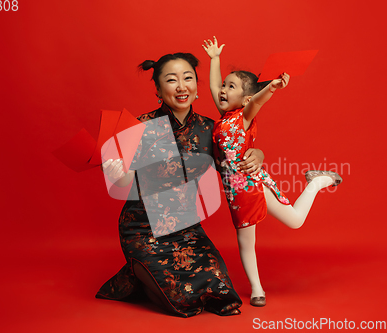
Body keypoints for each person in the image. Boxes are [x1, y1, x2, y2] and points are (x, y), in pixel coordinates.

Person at [96, 52, 266, 317]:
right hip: (143, 228)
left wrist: (257, 154)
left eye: (188, 78)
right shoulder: (141, 127)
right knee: (181, 299)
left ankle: (140, 272)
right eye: (171, 80)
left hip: (187, 229)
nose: (181, 86)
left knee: (220, 291)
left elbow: (233, 163)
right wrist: (116, 171)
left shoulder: (211, 129)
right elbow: (126, 184)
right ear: (158, 90)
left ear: (197, 86)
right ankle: (138, 271)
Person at [202, 37, 342, 307]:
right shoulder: (223, 117)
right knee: (245, 240)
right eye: (224, 85)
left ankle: (317, 181)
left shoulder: (244, 116)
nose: (222, 89)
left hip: (253, 186)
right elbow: (211, 85)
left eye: (230, 87)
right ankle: (257, 289)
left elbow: (258, 101)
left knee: (295, 222)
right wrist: (214, 59)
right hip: (235, 193)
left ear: (244, 98)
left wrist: (273, 88)